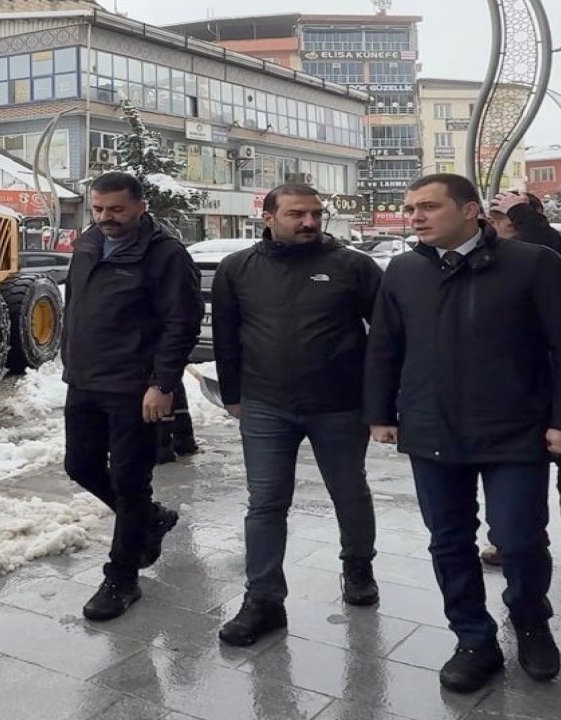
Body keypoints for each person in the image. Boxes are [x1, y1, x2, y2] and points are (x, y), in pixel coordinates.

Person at [365, 175, 561, 694]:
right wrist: (379, 413)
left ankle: (532, 622)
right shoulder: (403, 271)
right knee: (448, 541)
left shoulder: (533, 264)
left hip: (515, 431)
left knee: (518, 540)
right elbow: (384, 347)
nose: (416, 217)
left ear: (470, 210)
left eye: (429, 206)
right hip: (432, 430)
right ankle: (473, 639)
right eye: (410, 208)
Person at [211, 184, 382, 647]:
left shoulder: (353, 267)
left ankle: (358, 565)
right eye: (295, 214)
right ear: (267, 216)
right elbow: (225, 335)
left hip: (341, 404)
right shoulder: (237, 269)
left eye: (315, 214)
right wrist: (233, 395)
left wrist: (381, 401)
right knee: (265, 502)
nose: (308, 222)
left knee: (348, 490)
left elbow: (386, 338)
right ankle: (263, 599)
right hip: (266, 406)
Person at [61, 172, 203, 621]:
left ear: (141, 206)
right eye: (99, 209)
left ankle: (122, 577)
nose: (106, 218)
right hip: (84, 380)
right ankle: (150, 518)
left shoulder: (166, 256)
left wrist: (162, 384)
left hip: (133, 388)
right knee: (79, 465)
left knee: (129, 480)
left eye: (116, 210)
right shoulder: (87, 242)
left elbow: (181, 323)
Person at [487, 191, 561, 561]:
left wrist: (522, 212)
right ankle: (506, 535)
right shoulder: (483, 255)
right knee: (505, 461)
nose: (495, 221)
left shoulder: (553, 252)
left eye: (504, 215)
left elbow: (549, 247)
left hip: (559, 369)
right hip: (504, 371)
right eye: (492, 213)